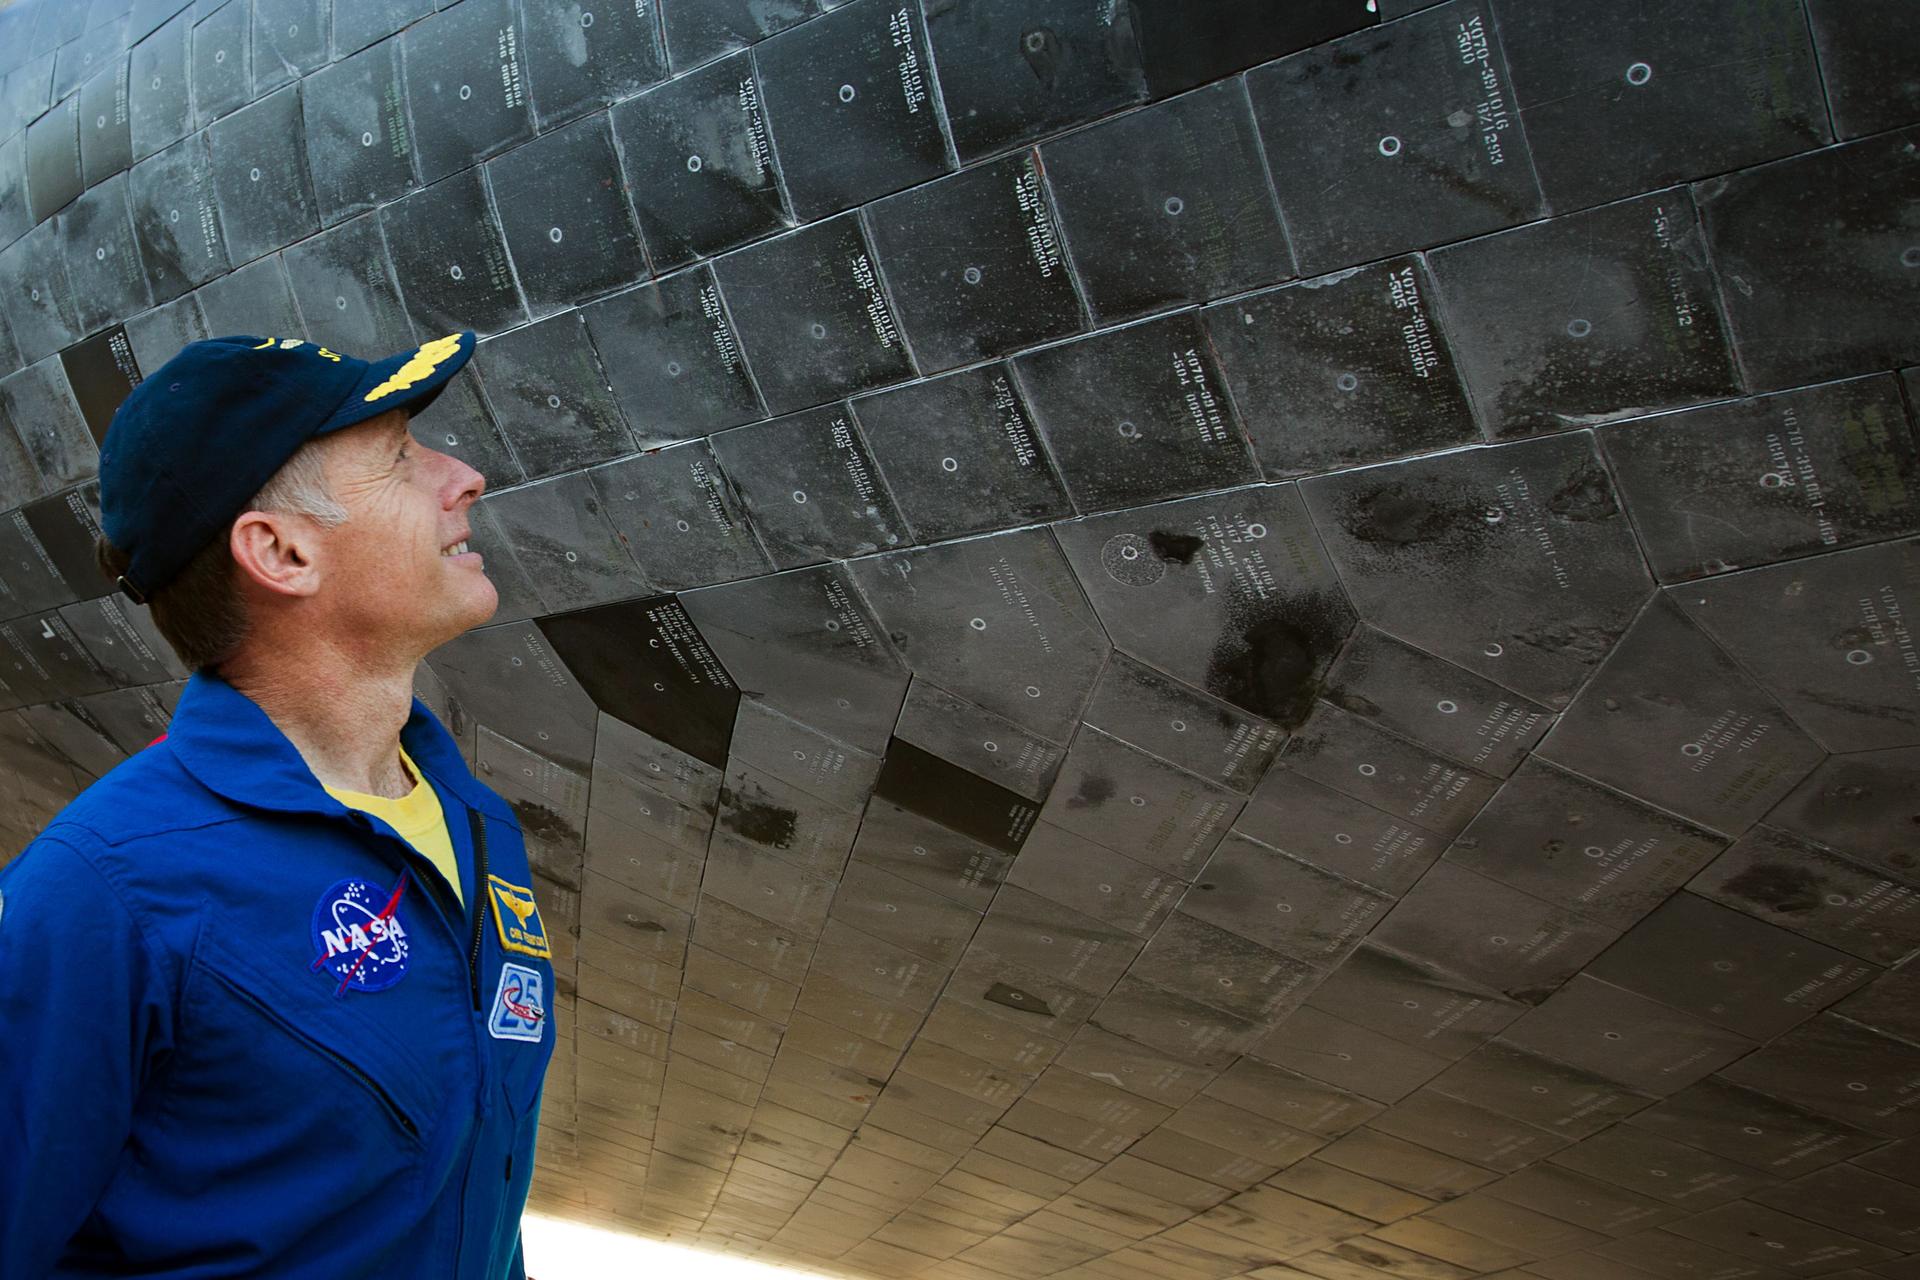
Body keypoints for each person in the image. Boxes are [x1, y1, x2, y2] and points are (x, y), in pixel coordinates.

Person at [0, 333, 556, 1278]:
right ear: (283, 551)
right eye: (398, 460)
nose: (462, 475)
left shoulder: (476, 825)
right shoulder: (106, 891)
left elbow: (465, 1189)